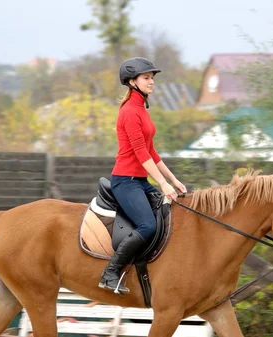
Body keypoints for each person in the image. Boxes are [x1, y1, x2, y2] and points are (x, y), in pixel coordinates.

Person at [98, 57, 187, 294]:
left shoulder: (141, 109)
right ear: (131, 81)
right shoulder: (129, 112)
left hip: (139, 181)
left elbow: (151, 152)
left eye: (152, 78)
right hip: (125, 182)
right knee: (147, 226)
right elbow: (139, 153)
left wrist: (173, 180)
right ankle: (110, 273)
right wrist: (162, 183)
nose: (151, 82)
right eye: (146, 78)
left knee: (169, 215)